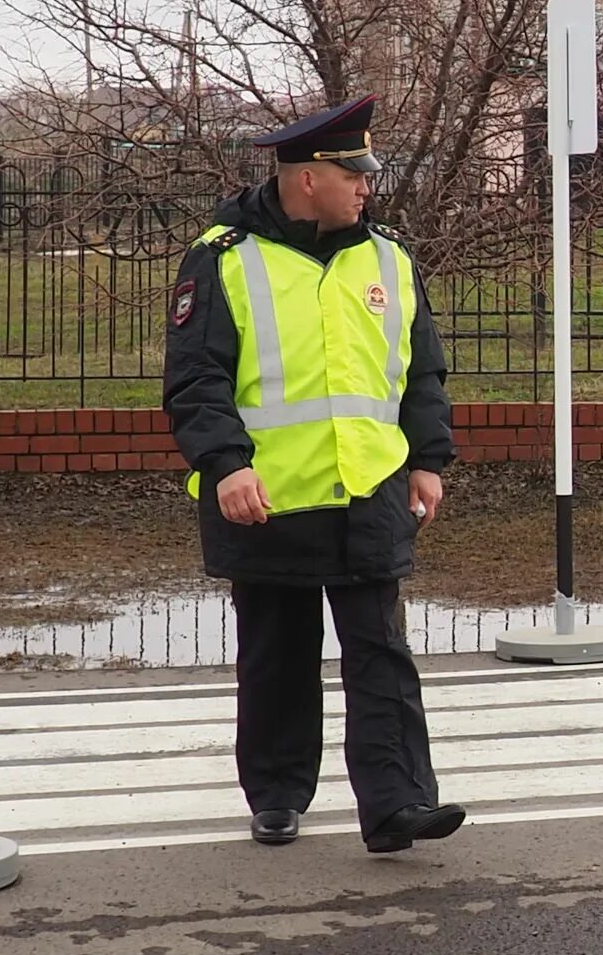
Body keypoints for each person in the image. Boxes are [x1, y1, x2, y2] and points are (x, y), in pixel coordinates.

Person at [163, 95, 466, 852]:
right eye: (353, 173)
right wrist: (225, 465)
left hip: (370, 491)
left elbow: (420, 371)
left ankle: (397, 804)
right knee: (278, 653)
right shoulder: (224, 257)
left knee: (380, 649)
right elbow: (195, 380)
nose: (367, 186)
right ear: (308, 179)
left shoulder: (389, 258)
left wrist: (427, 460)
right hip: (268, 497)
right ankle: (275, 791)